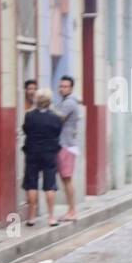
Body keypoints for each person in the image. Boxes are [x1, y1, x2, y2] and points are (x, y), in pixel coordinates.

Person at [21, 88, 63, 226]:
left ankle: (31, 217)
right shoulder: (55, 117)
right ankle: (51, 217)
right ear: (49, 101)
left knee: (31, 184)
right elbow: (57, 132)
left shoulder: (29, 116)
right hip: (49, 153)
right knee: (50, 184)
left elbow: (26, 130)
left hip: (32, 152)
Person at [56, 75, 82, 221]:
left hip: (65, 145)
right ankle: (71, 210)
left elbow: (58, 120)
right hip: (67, 144)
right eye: (61, 86)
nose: (62, 89)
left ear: (71, 88)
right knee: (66, 179)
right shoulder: (68, 101)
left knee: (67, 180)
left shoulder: (68, 104)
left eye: (65, 86)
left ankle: (72, 211)